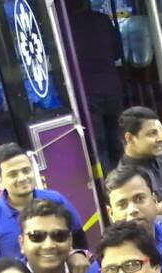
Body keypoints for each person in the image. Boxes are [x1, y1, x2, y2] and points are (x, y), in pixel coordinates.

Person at [0, 143, 90, 273]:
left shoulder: (56, 200)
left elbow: (78, 235)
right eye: (13, 174)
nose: (22, 178)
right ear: (0, 181)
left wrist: (77, 254)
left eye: (26, 170)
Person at [66, 0, 124, 173]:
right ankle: (127, 175)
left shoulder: (65, 26)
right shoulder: (102, 20)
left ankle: (111, 181)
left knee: (99, 145)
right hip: (112, 87)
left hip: (86, 93)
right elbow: (117, 53)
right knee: (119, 137)